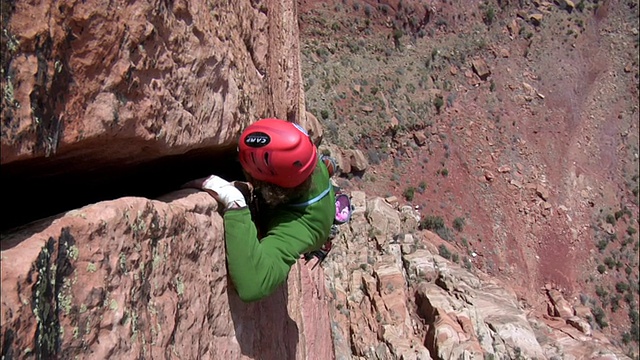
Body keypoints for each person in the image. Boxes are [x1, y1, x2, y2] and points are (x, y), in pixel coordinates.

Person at [186, 118, 336, 302]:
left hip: (315, 222)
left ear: (269, 186)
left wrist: (236, 204)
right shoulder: (302, 155)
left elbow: (255, 284)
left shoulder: (299, 228)